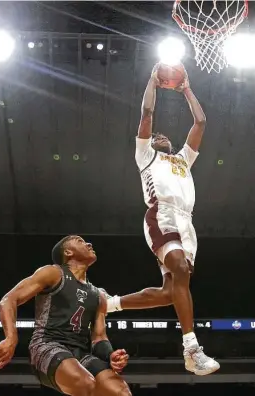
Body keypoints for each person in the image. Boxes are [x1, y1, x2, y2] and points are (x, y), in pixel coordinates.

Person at [105, 64, 219, 376]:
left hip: (187, 223)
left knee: (172, 291)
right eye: (156, 135)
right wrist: (153, 82)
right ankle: (192, 348)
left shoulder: (182, 159)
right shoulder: (147, 156)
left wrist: (185, 89)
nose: (160, 135)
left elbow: (201, 120)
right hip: (161, 214)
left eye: (161, 135)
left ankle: (109, 304)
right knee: (180, 269)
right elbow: (146, 113)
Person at [0, 235, 131, 396]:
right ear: (68, 252)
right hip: (47, 345)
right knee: (85, 383)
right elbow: (8, 300)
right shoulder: (53, 273)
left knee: (120, 391)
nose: (88, 243)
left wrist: (110, 355)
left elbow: (99, 337)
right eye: (80, 241)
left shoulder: (98, 295)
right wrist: (11, 338)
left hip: (81, 353)